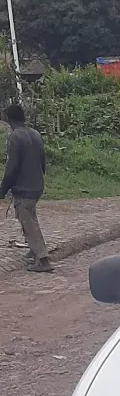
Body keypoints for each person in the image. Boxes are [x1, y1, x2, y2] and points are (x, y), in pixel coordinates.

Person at [0, 102, 52, 272]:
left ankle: (42, 259)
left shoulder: (15, 137)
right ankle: (34, 250)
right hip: (36, 185)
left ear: (9, 118)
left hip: (23, 188)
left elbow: (12, 167)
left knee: (28, 223)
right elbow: (43, 161)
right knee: (31, 219)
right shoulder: (35, 133)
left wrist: (3, 188)